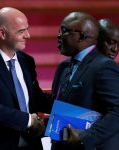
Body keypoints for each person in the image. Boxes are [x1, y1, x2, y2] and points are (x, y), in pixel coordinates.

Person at [0, 7, 52, 150]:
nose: (28, 35)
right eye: (21, 31)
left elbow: (36, 97)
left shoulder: (27, 61)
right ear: (2, 33)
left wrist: (69, 109)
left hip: (31, 143)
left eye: (27, 29)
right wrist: (27, 121)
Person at [50, 12, 119, 150]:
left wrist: (84, 138)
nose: (115, 49)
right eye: (110, 42)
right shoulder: (65, 66)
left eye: (64, 31)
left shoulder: (105, 67)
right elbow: (58, 103)